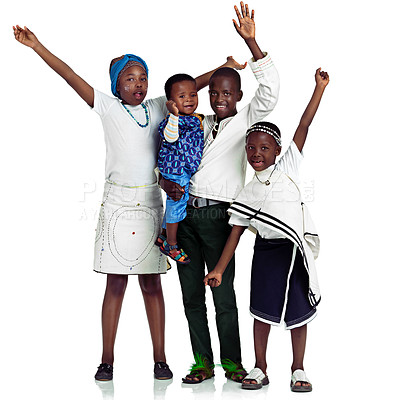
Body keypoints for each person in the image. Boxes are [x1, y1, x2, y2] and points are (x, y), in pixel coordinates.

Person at [12, 24, 245, 382]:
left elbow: (188, 87)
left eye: (143, 77)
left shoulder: (157, 107)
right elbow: (71, 76)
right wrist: (37, 45)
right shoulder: (108, 107)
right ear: (116, 85)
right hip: (117, 202)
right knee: (115, 284)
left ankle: (161, 359)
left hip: (152, 200)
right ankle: (107, 359)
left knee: (152, 284)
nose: (139, 84)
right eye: (131, 78)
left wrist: (221, 68)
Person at [159, 2, 280, 384]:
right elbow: (178, 99)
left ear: (240, 96)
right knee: (191, 294)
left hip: (219, 216)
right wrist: (164, 181)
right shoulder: (197, 122)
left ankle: (232, 363)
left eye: (227, 92)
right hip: (184, 215)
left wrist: (252, 44)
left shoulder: (247, 119)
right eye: (214, 92)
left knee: (222, 293)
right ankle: (201, 362)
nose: (220, 98)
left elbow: (271, 88)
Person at [204, 68, 330, 392]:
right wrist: (218, 269)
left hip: (293, 251)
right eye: (251, 149)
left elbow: (304, 124)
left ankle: (298, 368)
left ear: (276, 151)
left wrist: (319, 88)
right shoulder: (247, 193)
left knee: (297, 313)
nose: (256, 154)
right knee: (262, 311)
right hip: (266, 254)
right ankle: (260, 367)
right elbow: (235, 233)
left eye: (264, 148)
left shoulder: (287, 167)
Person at [157, 74, 204, 264]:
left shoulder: (193, 119)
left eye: (193, 95)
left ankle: (163, 234)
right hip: (175, 171)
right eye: (182, 96)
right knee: (176, 204)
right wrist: (174, 115)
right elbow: (170, 137)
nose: (189, 100)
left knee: (177, 204)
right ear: (170, 102)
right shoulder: (172, 121)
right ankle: (171, 244)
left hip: (183, 170)